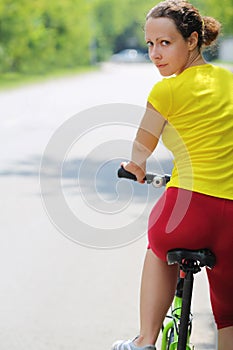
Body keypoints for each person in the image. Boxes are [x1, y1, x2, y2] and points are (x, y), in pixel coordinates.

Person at [111, 1, 233, 349]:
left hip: (187, 210)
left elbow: (140, 150)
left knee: (158, 245)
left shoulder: (165, 91)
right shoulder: (229, 80)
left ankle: (145, 340)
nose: (155, 54)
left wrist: (135, 169)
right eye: (150, 44)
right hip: (232, 218)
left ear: (192, 40)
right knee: (227, 316)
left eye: (165, 43)